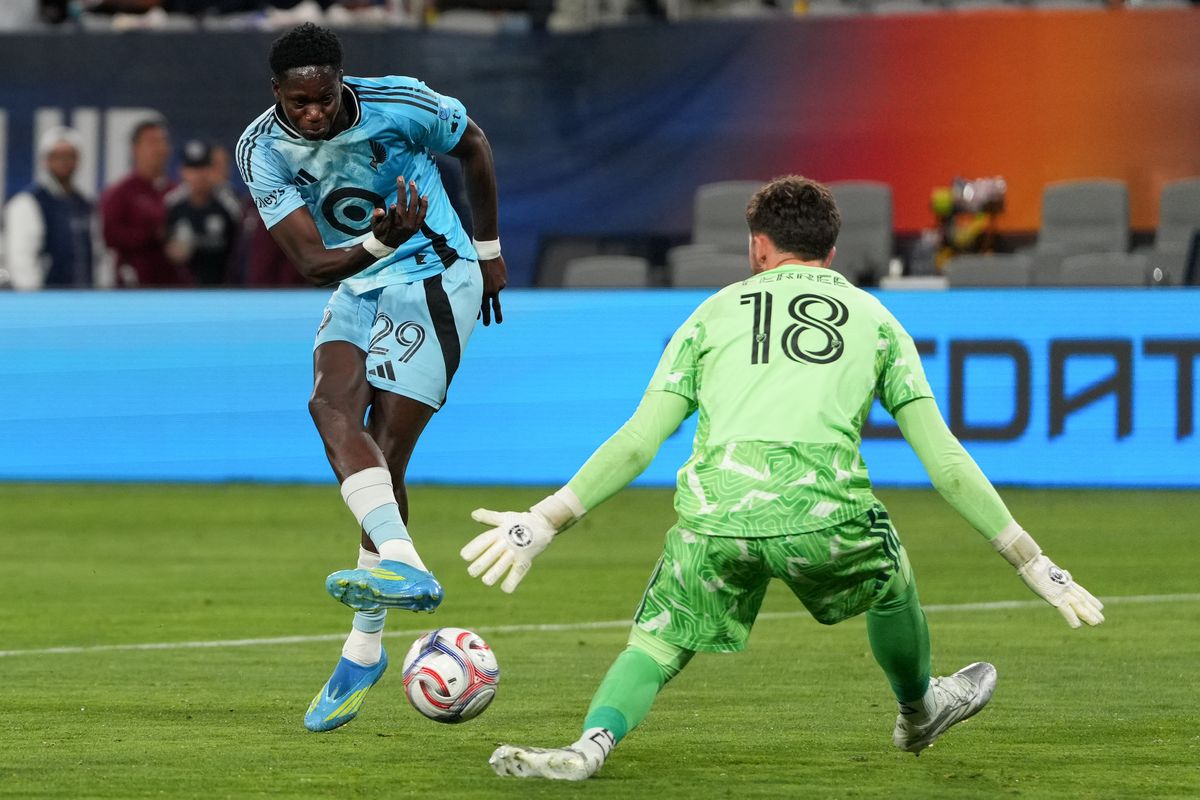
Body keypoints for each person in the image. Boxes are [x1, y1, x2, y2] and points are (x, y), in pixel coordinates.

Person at [461, 176, 1104, 781]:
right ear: (831, 249)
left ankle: (588, 746)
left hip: (718, 517)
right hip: (826, 517)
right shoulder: (876, 320)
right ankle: (919, 709)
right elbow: (945, 461)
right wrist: (1032, 561)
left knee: (659, 640)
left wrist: (546, 517)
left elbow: (639, 441)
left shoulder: (710, 315)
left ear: (758, 248)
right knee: (890, 580)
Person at [235, 22, 506, 733]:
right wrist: (380, 239)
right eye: (300, 104)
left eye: (323, 99)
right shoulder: (261, 148)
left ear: (340, 83)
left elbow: (473, 144)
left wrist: (490, 251)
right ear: (278, 96)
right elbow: (310, 263)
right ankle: (405, 563)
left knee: (386, 448)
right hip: (358, 278)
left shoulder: (403, 105)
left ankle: (363, 649)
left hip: (439, 277)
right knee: (327, 406)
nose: (314, 114)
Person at [3, 127, 99, 290]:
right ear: (45, 160)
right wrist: (37, 304)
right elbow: (21, 262)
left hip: (83, 299)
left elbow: (96, 256)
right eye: (56, 156)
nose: (63, 161)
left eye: (69, 156)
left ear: (78, 160)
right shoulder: (28, 203)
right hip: (49, 302)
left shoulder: (85, 205)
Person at [101, 117, 187, 287]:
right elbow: (110, 236)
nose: (159, 149)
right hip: (135, 287)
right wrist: (153, 234)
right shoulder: (120, 193)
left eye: (163, 142)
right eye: (152, 142)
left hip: (174, 287)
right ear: (135, 149)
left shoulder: (178, 191)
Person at [165, 140, 242, 285]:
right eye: (192, 169)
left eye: (203, 168)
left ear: (212, 170)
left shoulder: (229, 203)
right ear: (182, 171)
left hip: (222, 287)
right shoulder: (173, 204)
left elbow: (240, 246)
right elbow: (164, 243)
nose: (198, 176)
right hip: (180, 289)